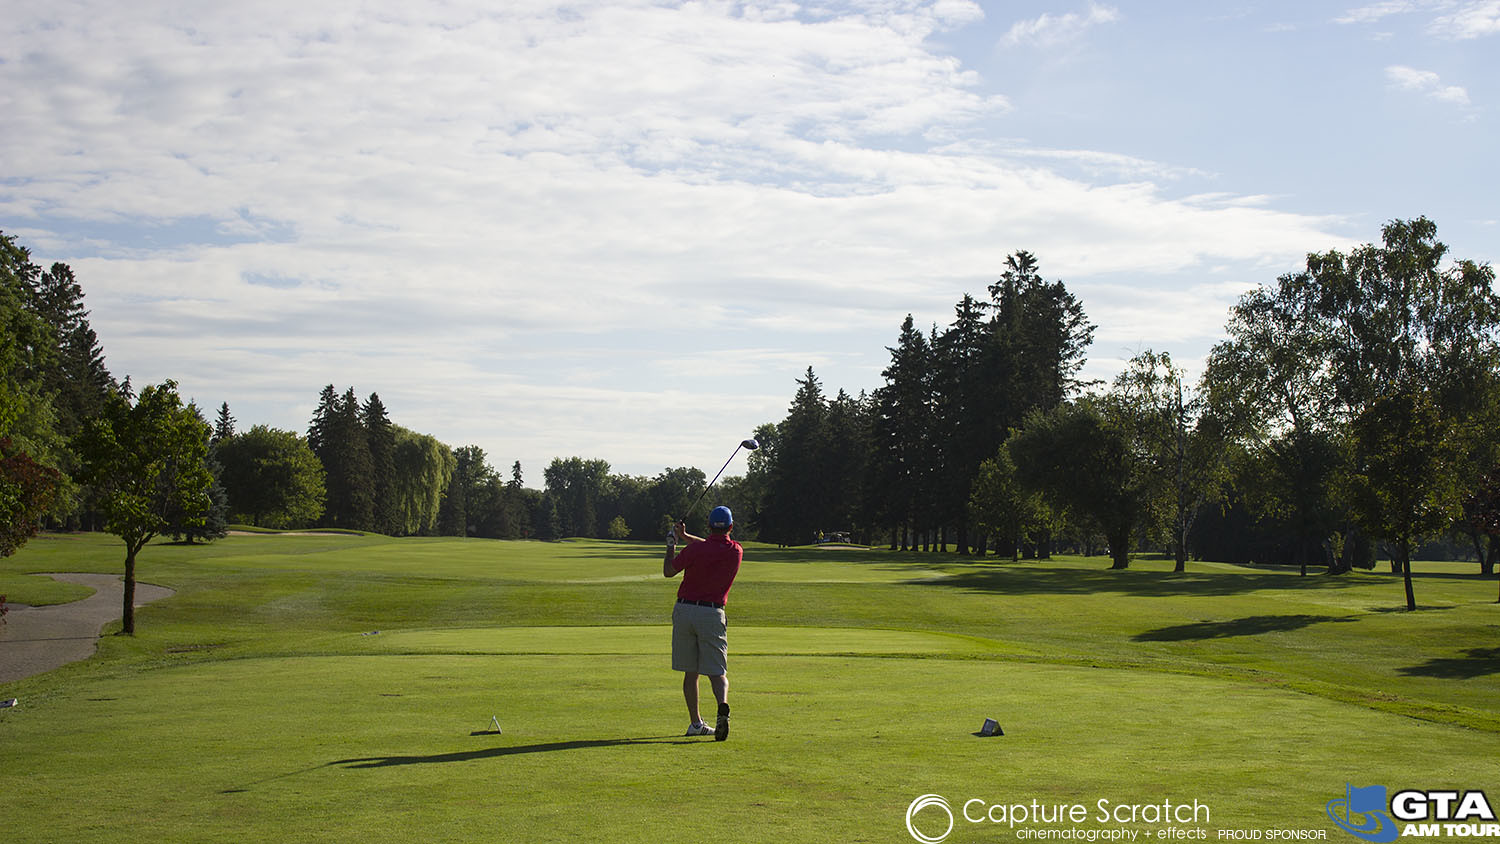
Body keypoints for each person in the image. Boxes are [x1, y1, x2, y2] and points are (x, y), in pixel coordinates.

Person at [663, 504, 742, 741]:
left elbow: (669, 571)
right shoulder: (735, 551)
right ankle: (722, 707)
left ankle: (696, 723)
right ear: (731, 526)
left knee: (691, 671)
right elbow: (712, 545)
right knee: (717, 672)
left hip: (685, 610)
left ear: (708, 525)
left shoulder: (697, 550)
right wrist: (686, 537)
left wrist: (672, 545)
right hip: (712, 613)